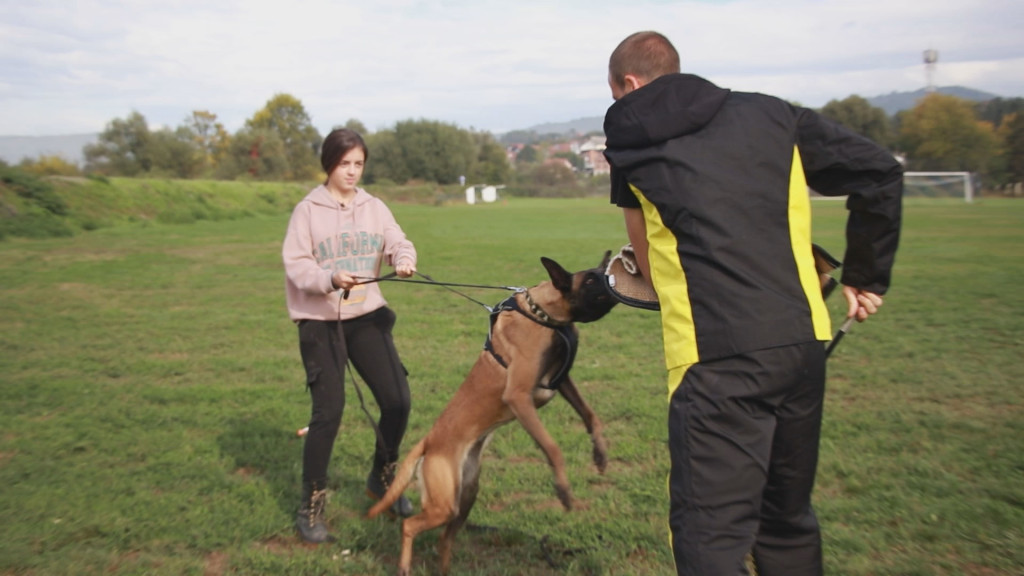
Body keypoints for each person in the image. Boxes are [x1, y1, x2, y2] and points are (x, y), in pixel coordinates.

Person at [602, 32, 902, 575]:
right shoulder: (773, 115)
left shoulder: (630, 136)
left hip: (715, 358)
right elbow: (879, 170)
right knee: (786, 524)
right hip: (802, 341)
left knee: (709, 535)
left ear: (629, 84)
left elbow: (645, 263)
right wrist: (865, 276)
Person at [282, 128, 418, 544]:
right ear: (330, 164)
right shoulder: (307, 210)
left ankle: (382, 479)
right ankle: (312, 507)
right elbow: (297, 264)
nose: (353, 172)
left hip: (366, 316)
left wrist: (404, 257)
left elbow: (396, 239)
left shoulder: (374, 207)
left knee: (397, 400)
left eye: (359, 164)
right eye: (345, 164)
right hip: (319, 320)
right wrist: (328, 277)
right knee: (330, 412)